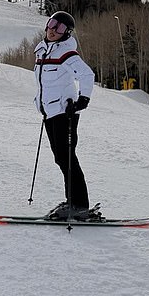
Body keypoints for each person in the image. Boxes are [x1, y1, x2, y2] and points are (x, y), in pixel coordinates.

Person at [34, 11, 95, 220]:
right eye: (51, 24)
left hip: (65, 112)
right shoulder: (42, 51)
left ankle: (79, 204)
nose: (52, 30)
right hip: (49, 112)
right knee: (61, 158)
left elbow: (87, 75)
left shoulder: (67, 54)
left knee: (67, 158)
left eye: (58, 28)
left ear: (66, 33)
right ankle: (72, 200)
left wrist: (82, 100)